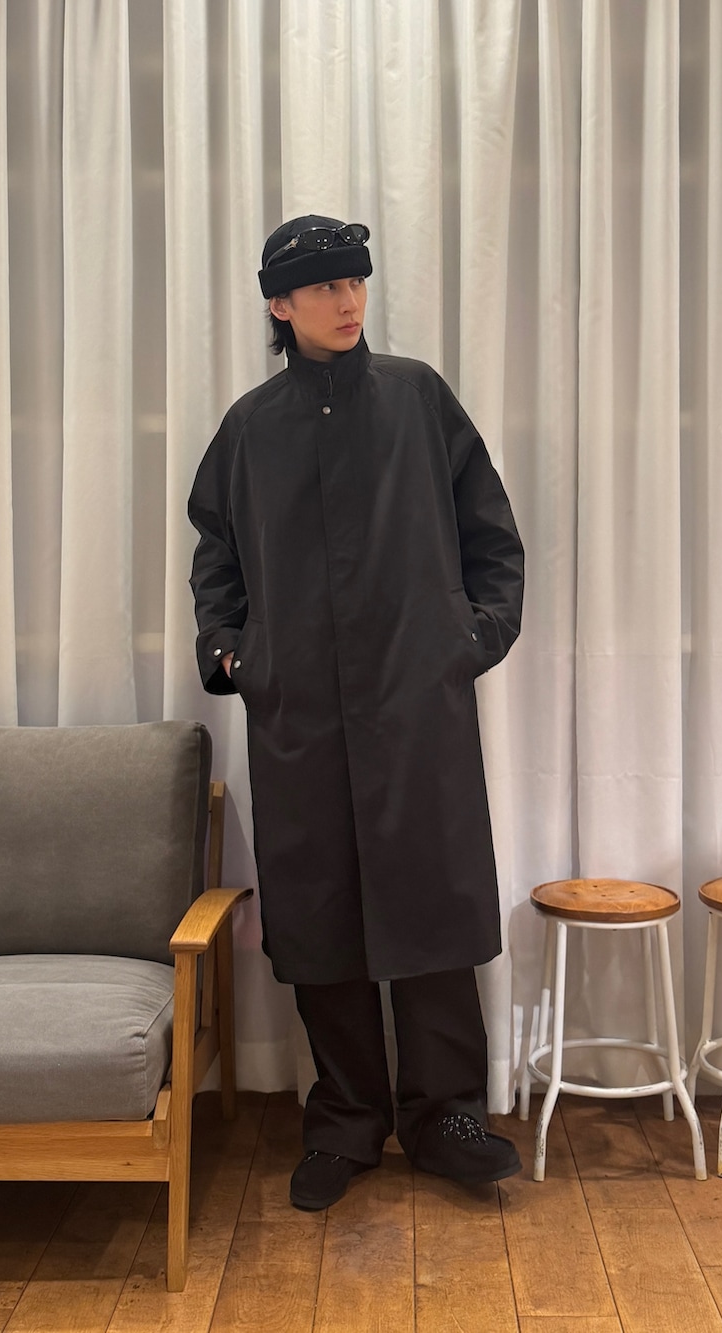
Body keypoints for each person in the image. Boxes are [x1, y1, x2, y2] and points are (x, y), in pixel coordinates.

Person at [188, 214, 525, 1210]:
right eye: (325, 288)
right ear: (279, 304)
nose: (347, 303)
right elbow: (216, 554)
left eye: (355, 283)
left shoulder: (417, 398)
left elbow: (491, 537)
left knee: (431, 906)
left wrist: (466, 640)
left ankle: (447, 1115)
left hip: (415, 709)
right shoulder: (251, 428)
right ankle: (343, 1119)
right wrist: (236, 653)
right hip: (300, 715)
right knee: (320, 914)